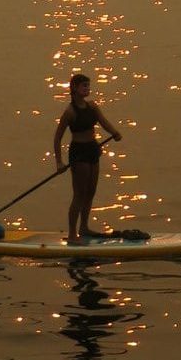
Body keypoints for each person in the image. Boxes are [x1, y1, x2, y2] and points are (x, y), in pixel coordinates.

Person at [53, 73, 123, 244]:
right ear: (74, 88)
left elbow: (103, 121)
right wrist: (59, 162)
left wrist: (114, 132)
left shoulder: (92, 106)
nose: (87, 89)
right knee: (79, 194)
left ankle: (84, 227)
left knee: (91, 191)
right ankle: (71, 235)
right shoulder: (70, 112)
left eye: (88, 85)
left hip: (93, 149)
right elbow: (57, 138)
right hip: (79, 153)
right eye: (84, 86)